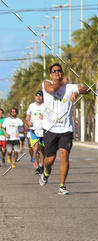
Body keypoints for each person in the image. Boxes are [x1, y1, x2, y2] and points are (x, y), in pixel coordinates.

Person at [40, 63, 91, 194]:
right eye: (54, 71)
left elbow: (87, 89)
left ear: (62, 73)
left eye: (59, 70)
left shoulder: (70, 87)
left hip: (66, 129)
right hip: (50, 128)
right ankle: (46, 172)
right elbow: (52, 89)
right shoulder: (46, 83)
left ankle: (62, 186)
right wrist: (62, 82)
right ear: (51, 75)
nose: (57, 72)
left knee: (64, 155)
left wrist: (76, 92)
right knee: (50, 159)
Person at [26, 90, 45, 174]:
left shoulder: (46, 105)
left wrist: (45, 115)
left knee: (42, 150)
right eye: (37, 95)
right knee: (36, 147)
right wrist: (28, 122)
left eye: (40, 96)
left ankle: (41, 165)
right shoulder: (31, 106)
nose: (38, 97)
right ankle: (36, 165)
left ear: (42, 97)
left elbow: (51, 115)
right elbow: (27, 117)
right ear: (35, 97)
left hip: (44, 130)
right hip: (34, 130)